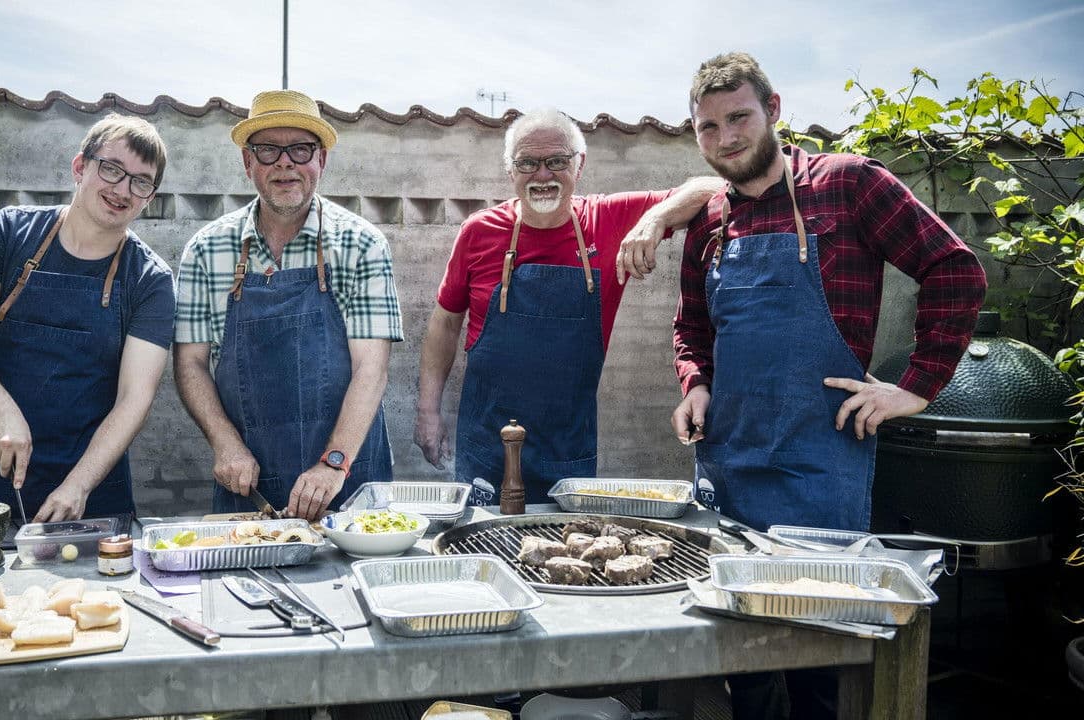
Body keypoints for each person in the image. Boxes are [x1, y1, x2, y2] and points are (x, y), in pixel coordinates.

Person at [671, 52, 986, 719]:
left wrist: (917, 386)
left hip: (819, 465)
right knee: (739, 659)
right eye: (708, 127)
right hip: (728, 465)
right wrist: (695, 383)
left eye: (739, 117)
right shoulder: (708, 221)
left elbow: (954, 269)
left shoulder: (848, 184)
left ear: (773, 110)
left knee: (817, 657)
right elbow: (692, 326)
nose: (726, 137)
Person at [414, 107, 720, 505]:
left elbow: (713, 186)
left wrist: (654, 220)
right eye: (527, 163)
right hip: (486, 444)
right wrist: (428, 412)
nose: (542, 176)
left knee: (563, 543)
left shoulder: (607, 219)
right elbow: (445, 323)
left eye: (557, 161)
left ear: (580, 164)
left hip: (567, 449)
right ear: (510, 169)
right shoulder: (478, 231)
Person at [174, 89, 402, 521]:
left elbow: (371, 369)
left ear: (321, 160)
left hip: (348, 476)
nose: (285, 163)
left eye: (300, 149)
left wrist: (334, 463)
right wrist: (225, 443)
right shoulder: (206, 249)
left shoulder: (362, 244)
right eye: (268, 150)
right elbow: (190, 363)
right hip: (249, 483)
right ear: (248, 162)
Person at [0, 113, 174, 522]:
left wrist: (79, 485)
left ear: (149, 197)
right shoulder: (8, 233)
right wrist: (2, 411)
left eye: (140, 182)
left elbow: (134, 397)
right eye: (112, 169)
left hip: (92, 498)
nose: (122, 190)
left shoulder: (151, 280)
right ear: (80, 167)